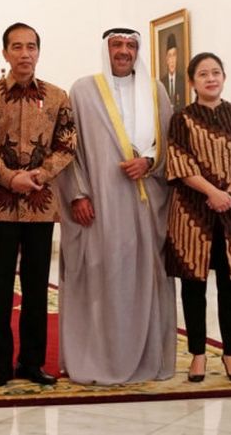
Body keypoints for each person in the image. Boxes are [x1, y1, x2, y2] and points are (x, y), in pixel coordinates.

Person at [56, 27, 176, 384]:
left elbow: (169, 141)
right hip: (99, 204)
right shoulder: (82, 90)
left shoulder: (155, 91)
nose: (123, 51)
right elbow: (67, 149)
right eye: (117, 45)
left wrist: (150, 162)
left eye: (130, 45)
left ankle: (144, 357)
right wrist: (77, 194)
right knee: (100, 275)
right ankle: (97, 357)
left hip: (143, 203)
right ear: (105, 49)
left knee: (143, 277)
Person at [0, 23, 76, 388]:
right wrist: (8, 176)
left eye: (31, 46)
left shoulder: (58, 97)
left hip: (40, 205)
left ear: (38, 52)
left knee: (35, 289)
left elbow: (67, 145)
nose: (25, 53)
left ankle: (32, 361)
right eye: (17, 46)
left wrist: (42, 174)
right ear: (5, 53)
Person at [165, 52, 231, 382]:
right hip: (192, 214)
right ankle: (197, 355)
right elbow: (179, 163)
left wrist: (228, 194)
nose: (211, 78)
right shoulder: (182, 119)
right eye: (203, 74)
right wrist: (213, 192)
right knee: (194, 286)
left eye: (216, 72)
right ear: (192, 82)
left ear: (224, 77)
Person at [160, 33, 185, 111]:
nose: (172, 60)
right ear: (166, 59)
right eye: (170, 56)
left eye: (174, 55)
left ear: (177, 58)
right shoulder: (162, 83)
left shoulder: (182, 81)